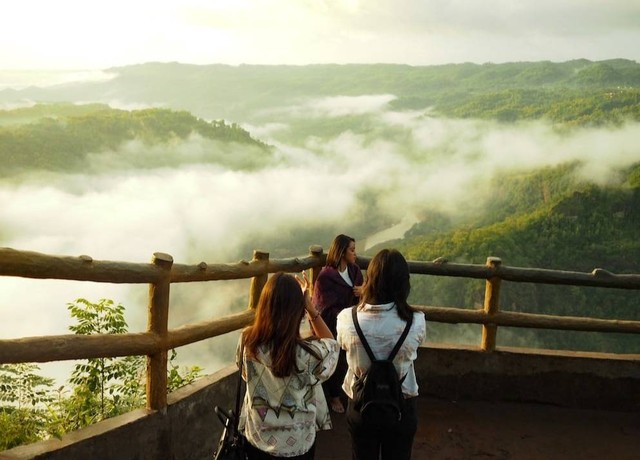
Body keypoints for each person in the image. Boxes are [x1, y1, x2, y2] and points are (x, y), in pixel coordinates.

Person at [237, 271, 339, 460]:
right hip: (298, 442)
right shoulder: (308, 354)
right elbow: (331, 344)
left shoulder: (247, 341)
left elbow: (245, 375)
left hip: (258, 438)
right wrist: (310, 306)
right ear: (298, 311)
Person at [336, 249, 426, 460]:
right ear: (404, 283)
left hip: (360, 404)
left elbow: (342, 345)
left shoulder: (346, 319)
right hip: (402, 405)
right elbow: (416, 347)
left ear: (370, 280)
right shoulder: (416, 321)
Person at [312, 234, 364, 414]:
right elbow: (321, 306)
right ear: (342, 252)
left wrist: (363, 291)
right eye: (352, 250)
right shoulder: (326, 277)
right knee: (335, 360)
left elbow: (364, 297)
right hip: (332, 326)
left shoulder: (355, 271)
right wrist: (343, 316)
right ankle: (334, 396)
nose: (355, 253)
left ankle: (350, 389)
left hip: (353, 323)